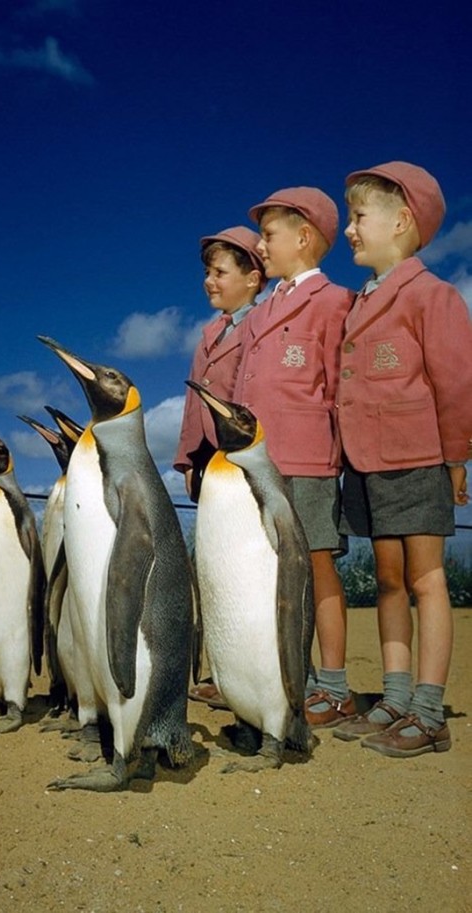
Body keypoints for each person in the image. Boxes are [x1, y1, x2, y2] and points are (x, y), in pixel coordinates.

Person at [332, 161, 472, 757]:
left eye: (359, 217)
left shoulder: (433, 296)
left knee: (425, 578)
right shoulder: (358, 303)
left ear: (402, 220)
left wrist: (457, 458)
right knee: (387, 580)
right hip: (365, 463)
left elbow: (457, 383)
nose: (349, 230)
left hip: (417, 457)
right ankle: (393, 697)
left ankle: (429, 708)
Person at [232, 186, 355, 729]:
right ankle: (288, 677)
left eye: (269, 235)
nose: (260, 245)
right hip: (255, 464)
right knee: (267, 570)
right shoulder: (258, 314)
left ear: (304, 237)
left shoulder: (335, 302)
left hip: (308, 460)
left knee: (318, 565)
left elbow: (342, 385)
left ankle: (333, 686)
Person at [174, 225, 266, 708]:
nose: (210, 280)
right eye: (208, 272)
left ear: (253, 278)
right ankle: (221, 669)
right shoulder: (208, 334)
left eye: (221, 271)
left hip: (241, 459)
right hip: (211, 463)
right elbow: (194, 405)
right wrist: (187, 457)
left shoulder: (262, 326)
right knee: (213, 569)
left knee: (248, 569)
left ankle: (259, 670)